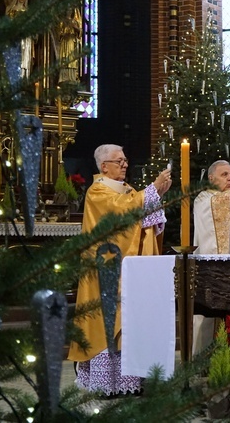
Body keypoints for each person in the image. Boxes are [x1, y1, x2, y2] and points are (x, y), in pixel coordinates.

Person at [67, 144, 172, 395]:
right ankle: (106, 384)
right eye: (119, 161)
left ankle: (130, 382)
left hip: (130, 272)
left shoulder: (128, 190)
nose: (125, 164)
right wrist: (152, 191)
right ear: (104, 166)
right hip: (106, 270)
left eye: (125, 160)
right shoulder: (98, 191)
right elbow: (121, 211)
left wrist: (156, 199)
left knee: (130, 322)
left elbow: (142, 222)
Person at [5, 0, 34, 77]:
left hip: (25, 37)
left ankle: (24, 78)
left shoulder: (28, 11)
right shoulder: (11, 9)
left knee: (25, 57)